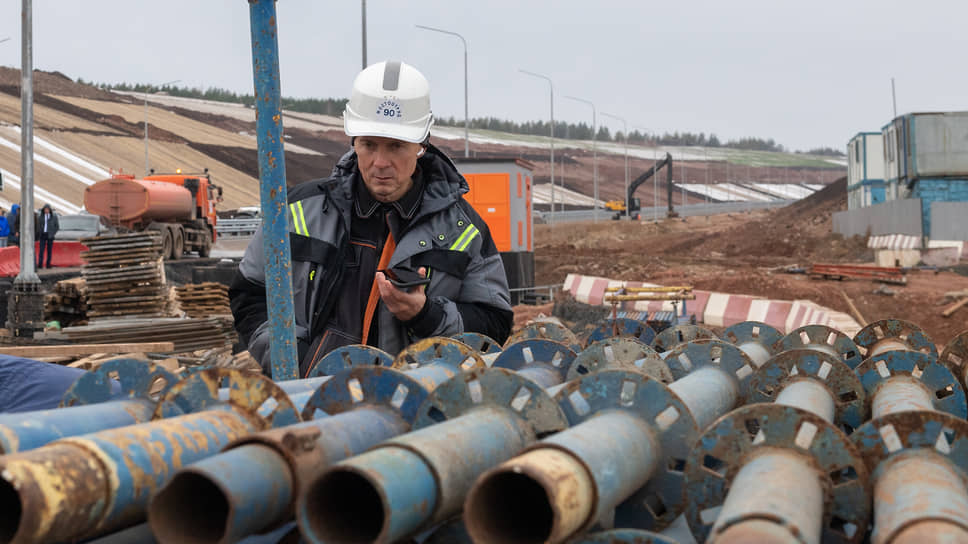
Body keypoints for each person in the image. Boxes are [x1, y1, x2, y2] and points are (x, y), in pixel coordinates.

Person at [230, 60, 513, 377]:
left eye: (396, 146)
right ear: (353, 140)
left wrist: (427, 315)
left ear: (421, 145)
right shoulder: (296, 211)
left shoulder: (464, 230)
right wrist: (296, 362)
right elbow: (250, 294)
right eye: (369, 145)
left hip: (410, 408)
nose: (380, 162)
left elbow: (495, 324)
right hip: (307, 399)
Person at [35, 203, 59, 268]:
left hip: (50, 235)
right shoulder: (41, 217)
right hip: (43, 235)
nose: (46, 210)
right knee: (41, 250)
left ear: (50, 210)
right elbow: (38, 226)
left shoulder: (53, 217)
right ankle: (40, 264)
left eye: (47, 209)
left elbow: (57, 227)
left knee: (49, 250)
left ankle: (48, 264)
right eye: (45, 209)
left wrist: (53, 233)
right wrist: (39, 232)